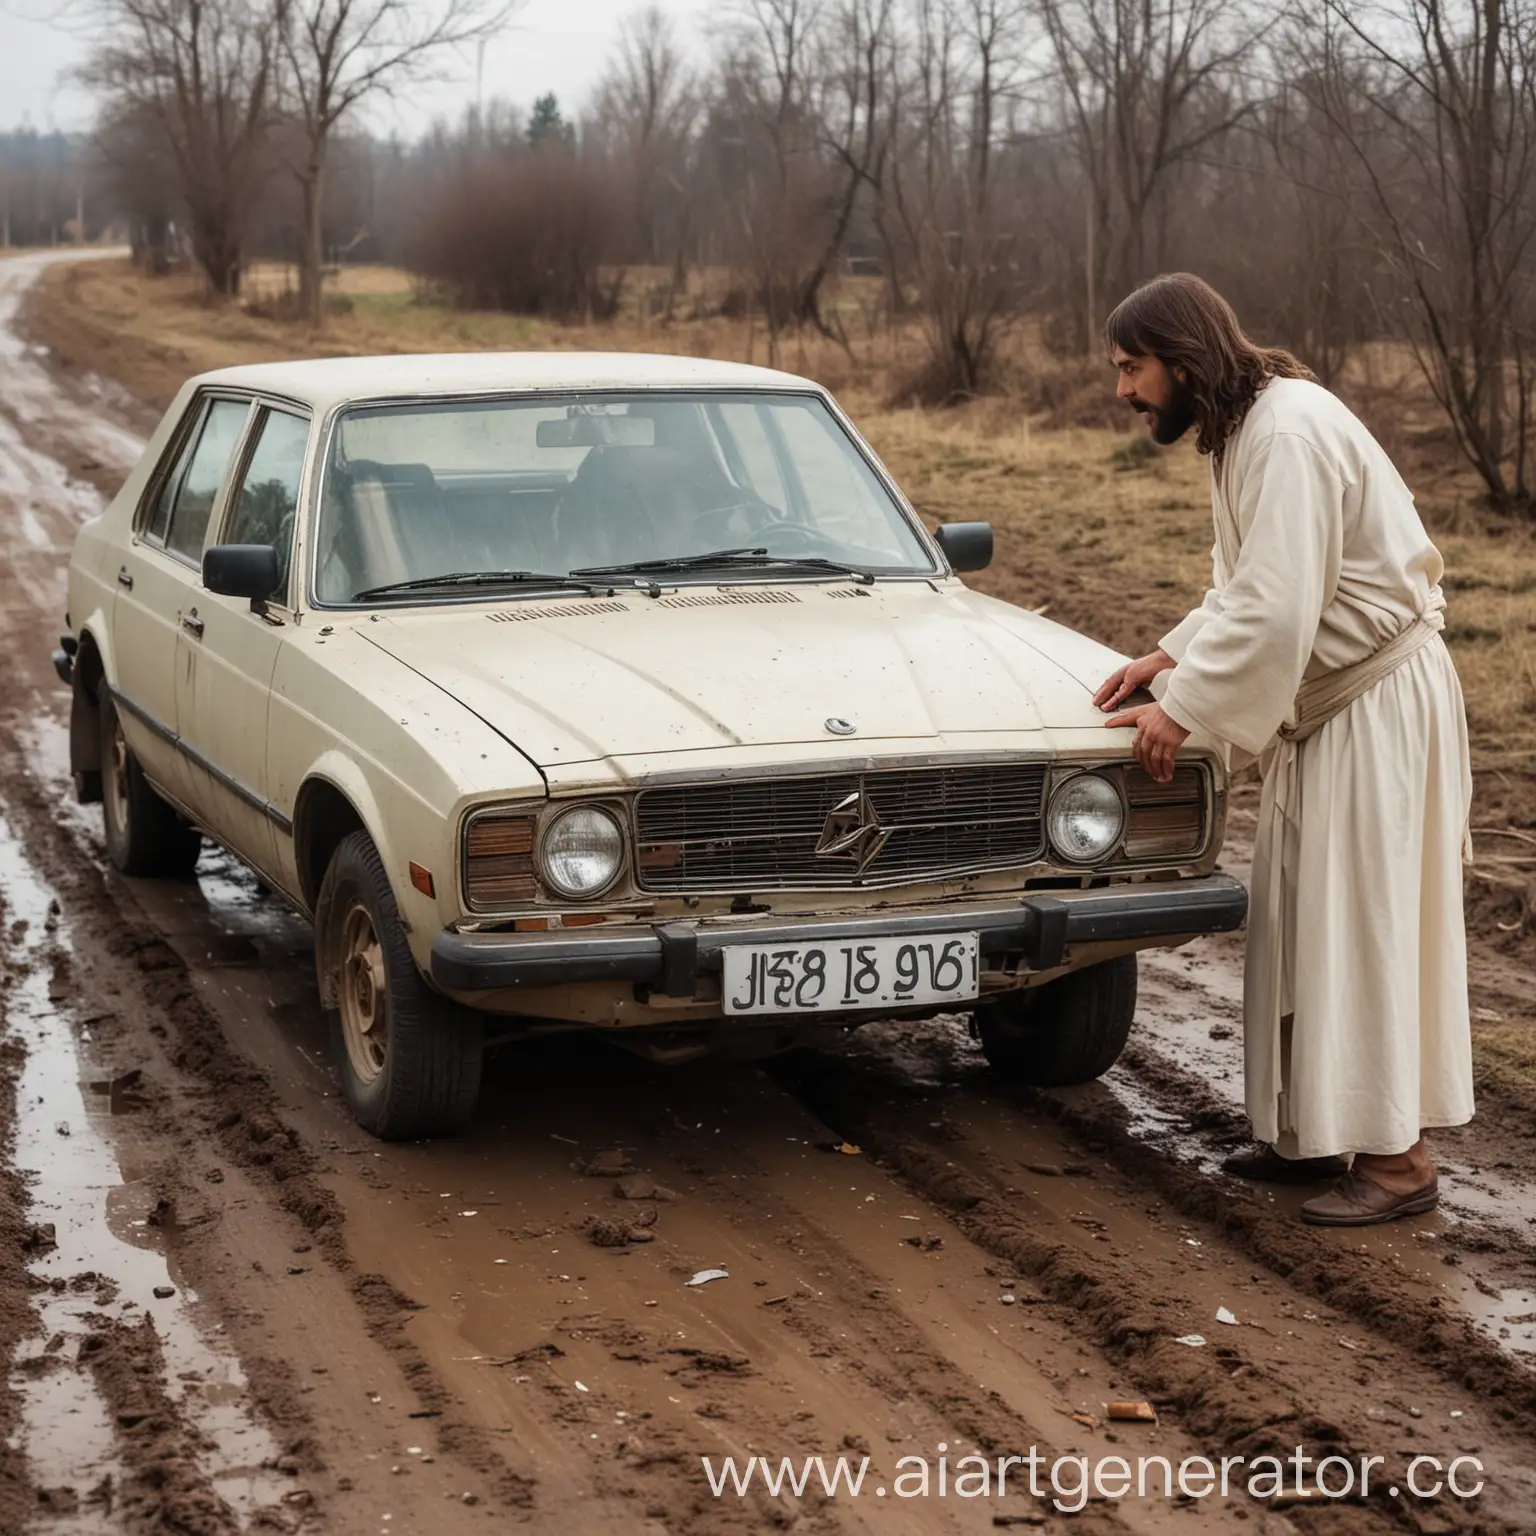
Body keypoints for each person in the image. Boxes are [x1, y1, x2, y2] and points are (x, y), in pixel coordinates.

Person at [1093, 273, 1475, 1227]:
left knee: (1361, 923)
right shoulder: (1250, 426)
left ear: (1181, 362)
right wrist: (1168, 656)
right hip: (1338, 707)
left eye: (1130, 369)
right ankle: (1316, 1137)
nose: (1123, 390)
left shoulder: (1287, 431)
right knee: (1309, 923)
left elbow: (1275, 607)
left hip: (1376, 703)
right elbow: (1250, 585)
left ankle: (1399, 1165)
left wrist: (1180, 710)